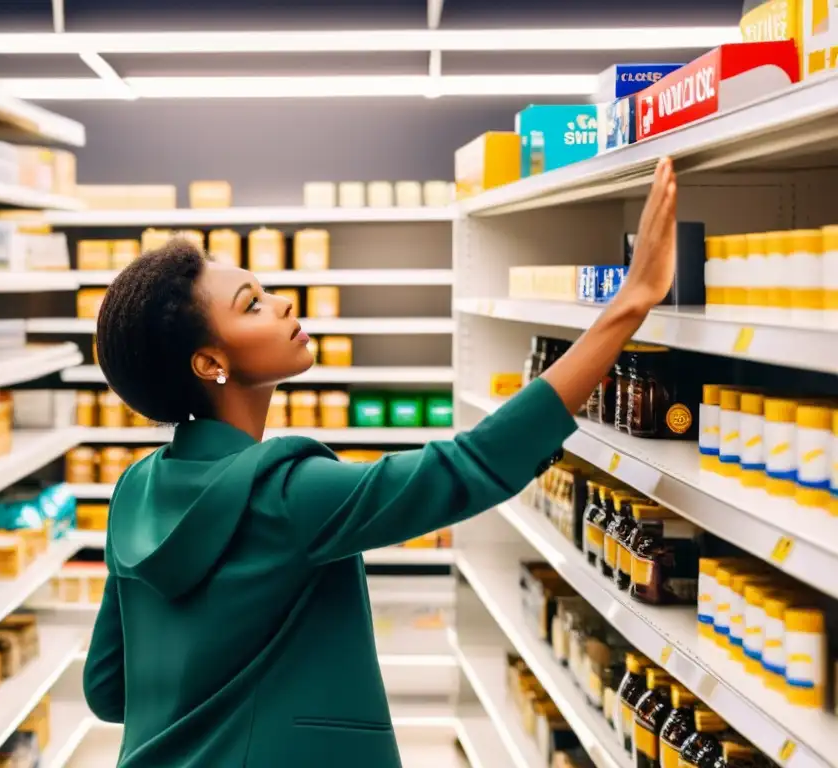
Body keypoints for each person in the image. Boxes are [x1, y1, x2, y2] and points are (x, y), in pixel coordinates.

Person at [83, 158, 679, 767]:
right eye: (252, 305)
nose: (283, 304)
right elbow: (469, 467)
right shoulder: (286, 495)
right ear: (210, 364)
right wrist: (629, 305)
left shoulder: (134, 490)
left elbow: (106, 689)